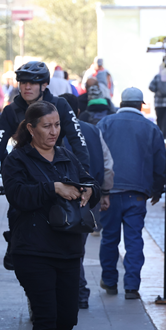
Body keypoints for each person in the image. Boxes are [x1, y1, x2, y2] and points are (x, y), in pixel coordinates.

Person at [0, 61, 90, 271]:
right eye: (22, 83)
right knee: (17, 209)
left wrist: (87, 179)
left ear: (44, 85)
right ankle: (15, 245)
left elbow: (78, 141)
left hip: (55, 167)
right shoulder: (12, 111)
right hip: (24, 169)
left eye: (32, 83)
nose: (26, 87)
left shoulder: (60, 106)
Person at [2, 101, 100, 330]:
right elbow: (18, 196)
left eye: (56, 125)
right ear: (31, 129)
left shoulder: (66, 155)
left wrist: (90, 191)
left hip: (68, 250)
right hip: (33, 250)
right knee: (46, 318)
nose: (54, 131)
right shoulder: (17, 160)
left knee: (68, 318)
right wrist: (53, 188)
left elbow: (90, 182)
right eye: (47, 126)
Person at [96, 87, 166, 299]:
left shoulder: (104, 124)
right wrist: (157, 189)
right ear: (140, 105)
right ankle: (132, 286)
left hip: (109, 192)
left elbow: (95, 156)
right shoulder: (151, 128)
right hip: (136, 193)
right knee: (134, 239)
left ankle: (109, 281)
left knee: (109, 237)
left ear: (121, 102)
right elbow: (160, 163)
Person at [60, 93, 114, 310]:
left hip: (60, 197)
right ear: (79, 112)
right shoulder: (92, 130)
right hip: (87, 196)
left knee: (61, 247)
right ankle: (80, 293)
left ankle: (76, 292)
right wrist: (106, 192)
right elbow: (108, 164)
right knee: (77, 247)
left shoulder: (51, 129)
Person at [149, 68, 166, 136]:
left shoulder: (157, 76)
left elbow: (151, 87)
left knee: (159, 119)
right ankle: (165, 135)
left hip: (158, 103)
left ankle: (159, 135)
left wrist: (157, 91)